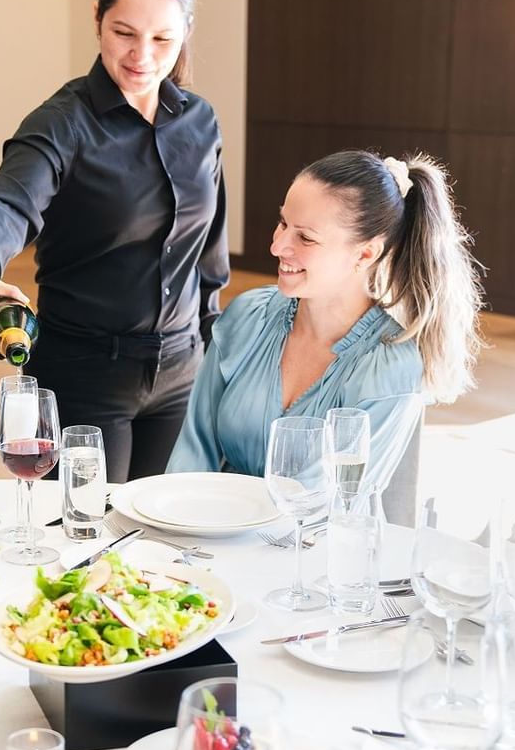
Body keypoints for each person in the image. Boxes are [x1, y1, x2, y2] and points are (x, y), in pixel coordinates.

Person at [0, 0, 229, 482]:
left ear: (185, 32)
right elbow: (9, 198)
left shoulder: (201, 123)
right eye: (124, 32)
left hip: (184, 371)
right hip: (83, 375)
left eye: (163, 39)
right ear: (97, 16)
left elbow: (209, 254)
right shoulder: (62, 123)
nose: (142, 55)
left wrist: (216, 353)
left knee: (166, 537)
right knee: (86, 540)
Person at [168, 150, 484, 493]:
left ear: (365, 254)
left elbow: (324, 503)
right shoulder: (247, 317)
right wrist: (173, 525)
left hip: (314, 544)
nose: (277, 246)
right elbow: (192, 454)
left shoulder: (388, 368)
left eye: (305, 237)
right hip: (209, 534)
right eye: (283, 223)